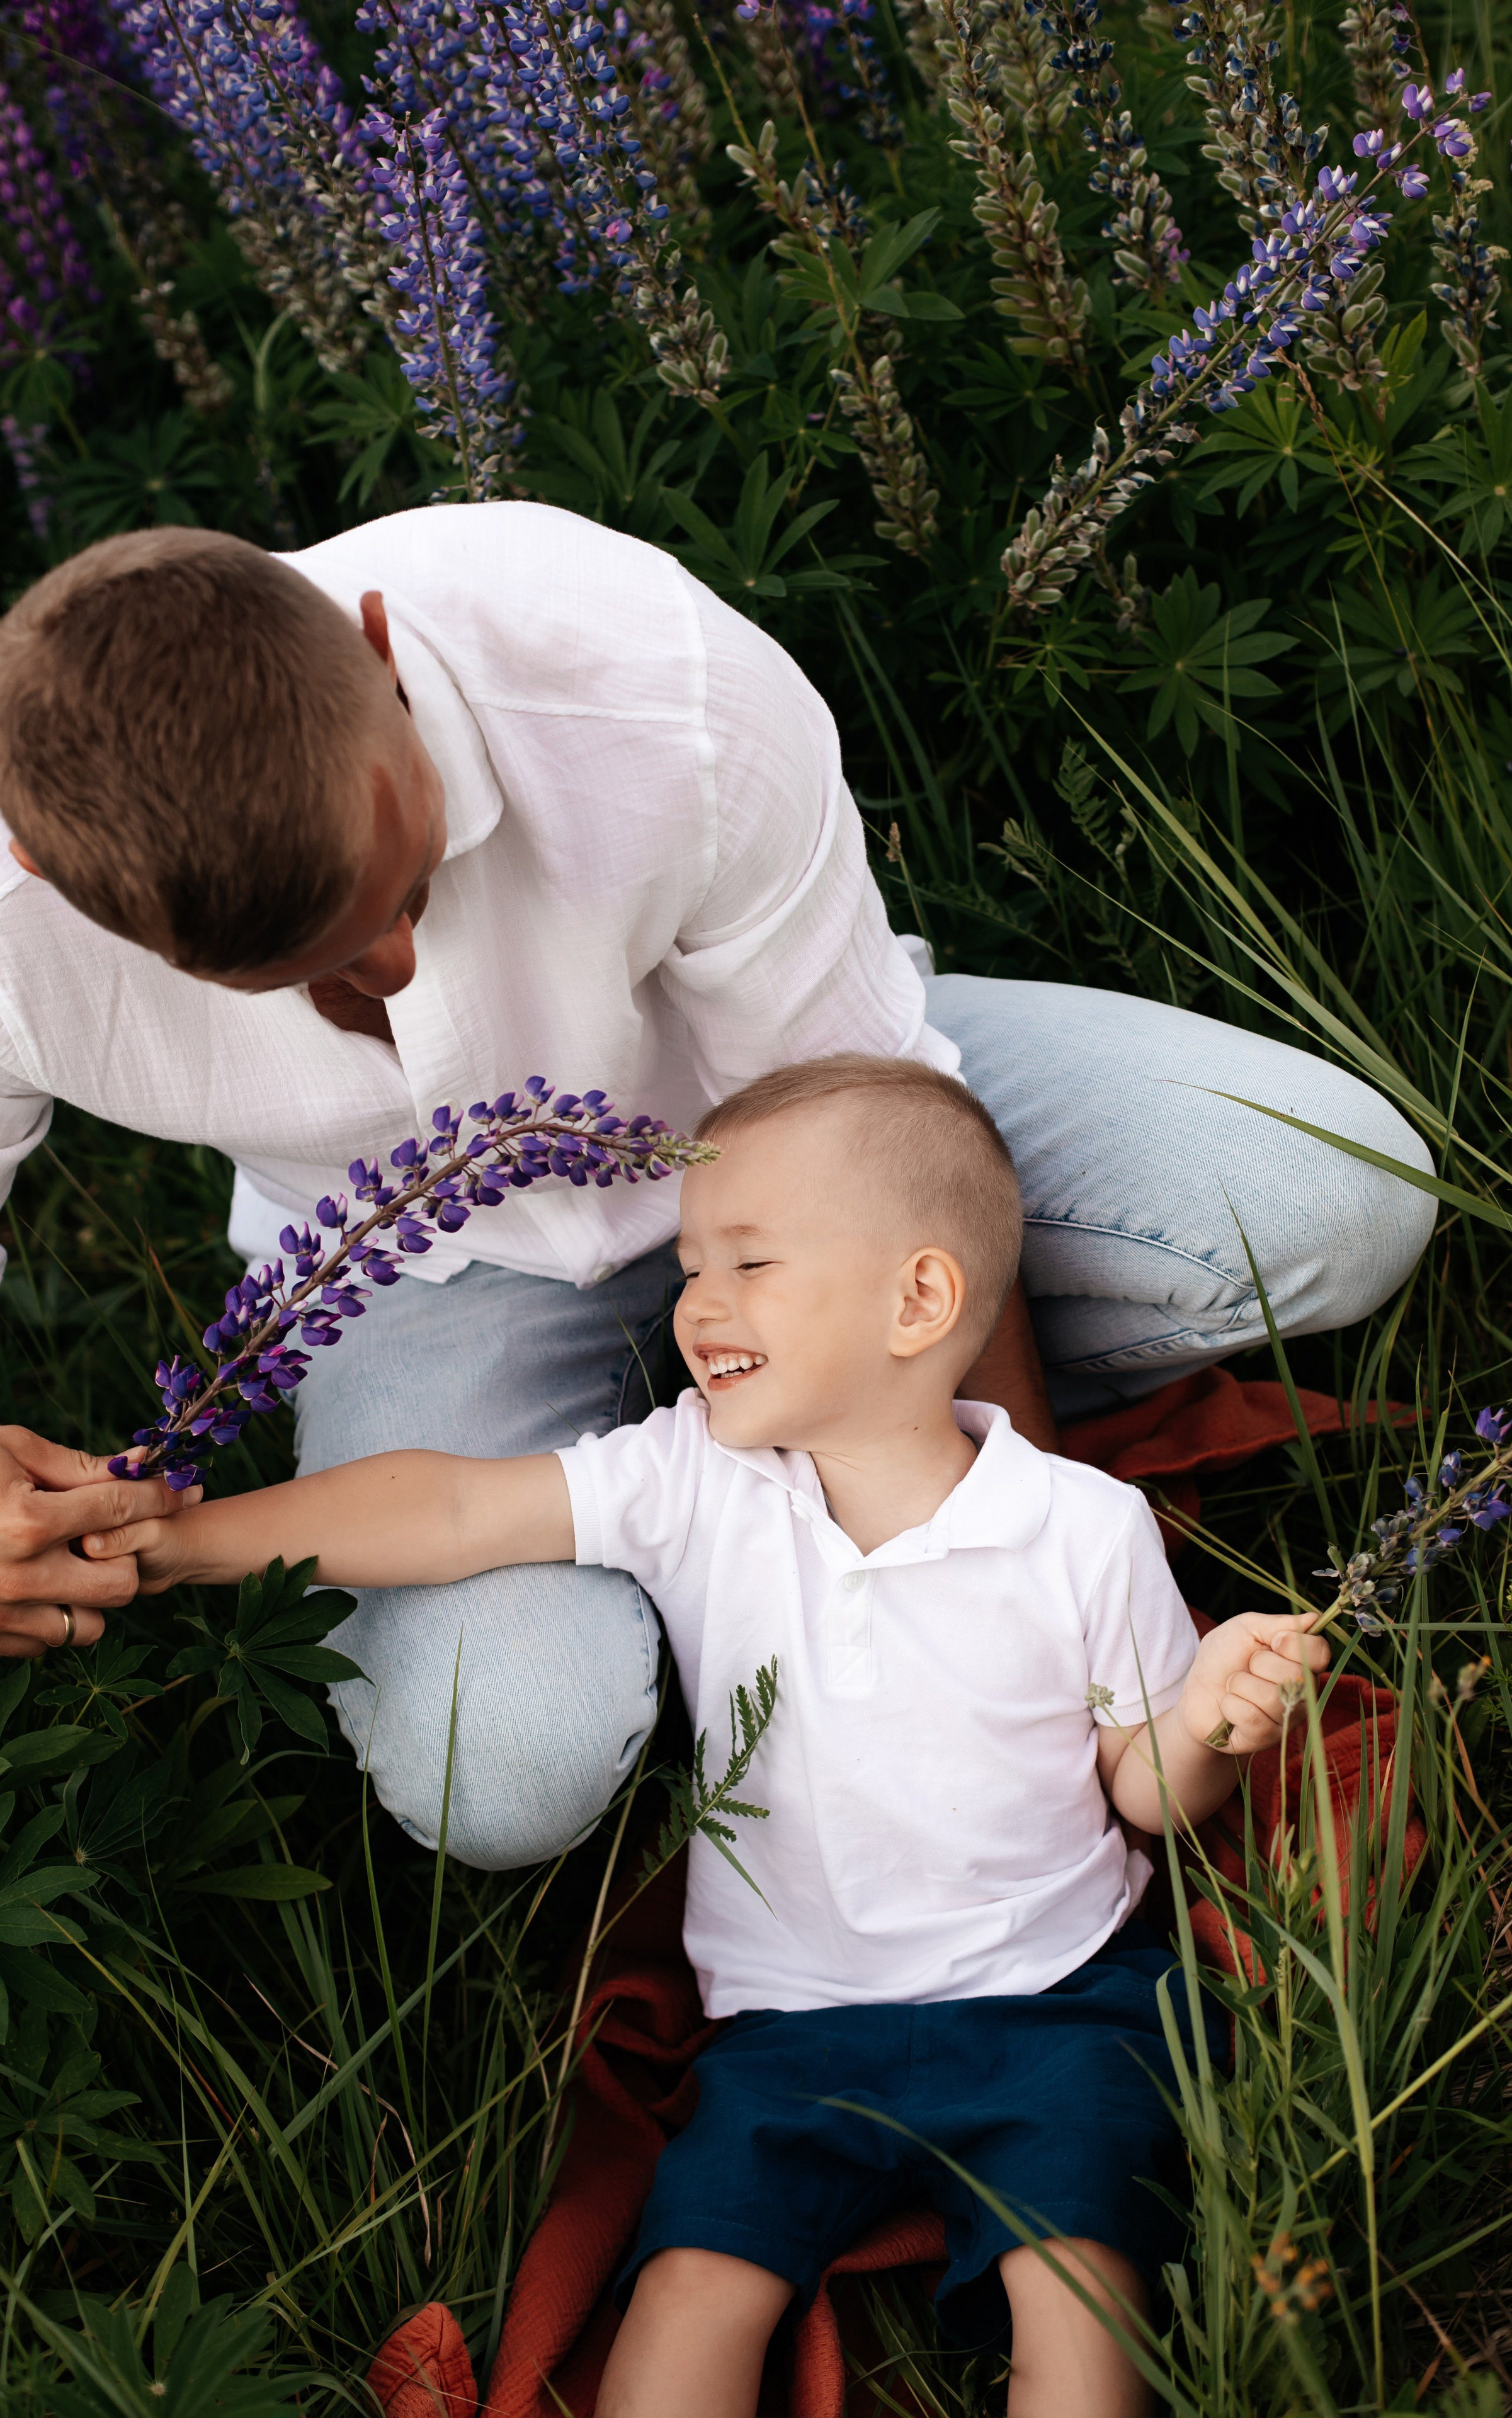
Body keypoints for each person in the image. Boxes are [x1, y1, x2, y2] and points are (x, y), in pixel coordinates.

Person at [0, 509, 1426, 1868]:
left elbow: (872, 1121)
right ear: (51, 877)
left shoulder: (641, 677)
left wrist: (1015, 1580)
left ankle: (754, 1477)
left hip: (798, 1119)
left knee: (1336, 1208)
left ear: (380, 649)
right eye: (298, 967)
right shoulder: (16, 917)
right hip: (428, 1282)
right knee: (495, 1770)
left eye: (404, 891)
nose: (385, 974)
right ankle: (732, 1494)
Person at [84, 1055, 1329, 2418]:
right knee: (689, 2293)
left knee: (1077, 2285)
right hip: (786, 2030)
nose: (695, 1308)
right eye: (689, 1267)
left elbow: (1143, 1794)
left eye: (747, 1264)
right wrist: (180, 1543)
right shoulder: (694, 1478)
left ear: (917, 1298)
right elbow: (449, 1509)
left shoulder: (1076, 1527)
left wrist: (1208, 1716)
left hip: (1051, 1997)